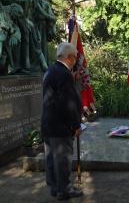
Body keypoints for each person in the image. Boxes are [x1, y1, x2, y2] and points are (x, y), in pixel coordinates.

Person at [41, 42, 83, 200]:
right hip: (61, 126)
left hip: (48, 124)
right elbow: (68, 104)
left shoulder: (50, 70)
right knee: (63, 160)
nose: (76, 60)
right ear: (70, 57)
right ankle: (64, 190)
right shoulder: (64, 74)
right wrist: (76, 125)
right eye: (75, 57)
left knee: (51, 159)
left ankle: (54, 187)